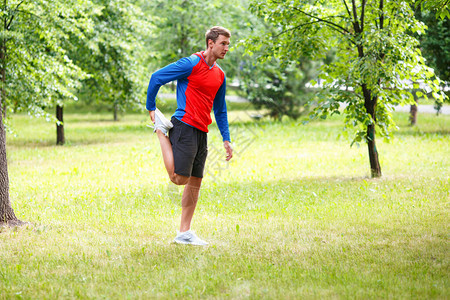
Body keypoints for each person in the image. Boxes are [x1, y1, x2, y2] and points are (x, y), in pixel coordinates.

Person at [146, 26, 233, 246]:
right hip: (184, 124)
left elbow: (220, 109)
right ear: (210, 43)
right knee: (178, 178)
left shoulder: (220, 75)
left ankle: (184, 232)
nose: (226, 48)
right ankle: (160, 130)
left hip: (201, 130)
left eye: (228, 44)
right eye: (223, 43)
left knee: (195, 182)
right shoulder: (190, 64)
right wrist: (151, 107)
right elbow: (157, 77)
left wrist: (226, 138)